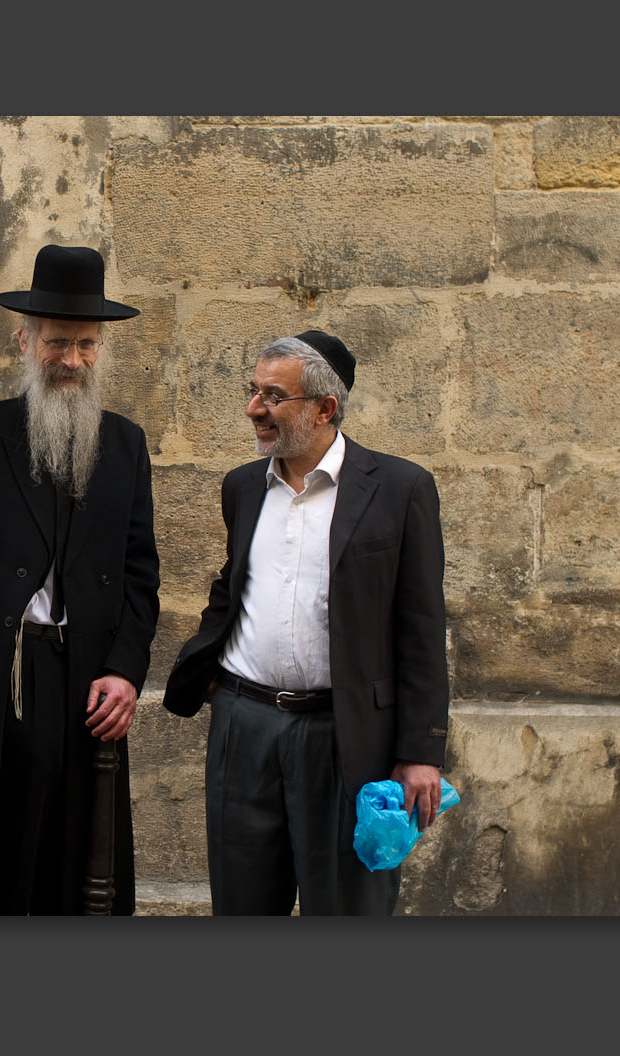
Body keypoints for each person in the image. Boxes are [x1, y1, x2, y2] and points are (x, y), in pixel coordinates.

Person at [163, 331, 449, 916]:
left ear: (325, 408)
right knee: (242, 905)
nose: (254, 410)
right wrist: (210, 660)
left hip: (342, 739)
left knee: (346, 907)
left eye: (273, 396)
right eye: (253, 392)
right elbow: (234, 582)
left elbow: (421, 626)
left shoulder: (399, 490)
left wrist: (420, 751)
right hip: (243, 730)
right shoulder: (243, 487)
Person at [0, 244, 160, 915]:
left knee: (84, 850)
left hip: (88, 677)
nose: (73, 361)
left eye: (87, 345)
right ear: (27, 340)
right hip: (7, 675)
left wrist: (126, 670)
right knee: (0, 847)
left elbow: (142, 577)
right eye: (59, 343)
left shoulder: (126, 444)